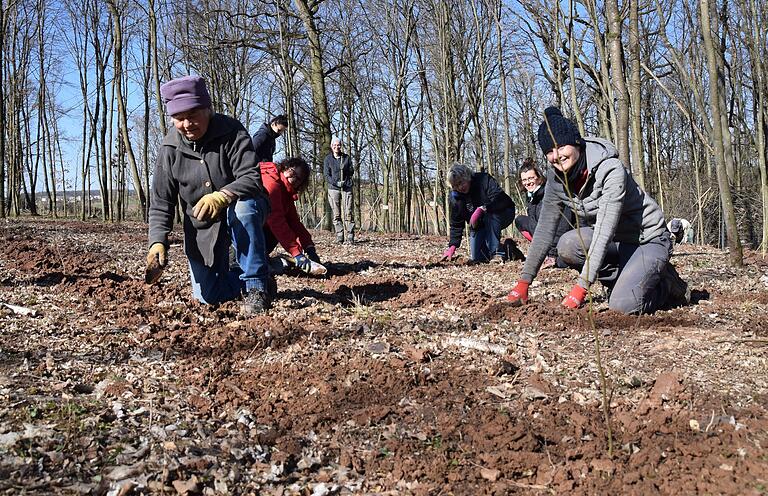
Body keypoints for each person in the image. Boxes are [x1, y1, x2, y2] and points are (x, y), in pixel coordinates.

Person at [506, 107, 689, 314]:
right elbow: (544, 230)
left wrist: (581, 287)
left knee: (623, 306)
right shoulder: (556, 179)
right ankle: (626, 278)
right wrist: (524, 282)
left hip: (647, 239)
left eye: (561, 146)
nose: (556, 156)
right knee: (568, 245)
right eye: (549, 151)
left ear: (576, 142)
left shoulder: (610, 169)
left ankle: (668, 284)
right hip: (616, 243)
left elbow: (604, 231)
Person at [145, 75, 273, 315]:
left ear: (208, 109)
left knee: (243, 208)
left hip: (242, 208)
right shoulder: (169, 149)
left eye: (192, 115)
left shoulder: (232, 131)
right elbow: (162, 202)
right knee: (208, 296)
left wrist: (222, 196)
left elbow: (252, 178)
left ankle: (257, 286)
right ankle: (262, 279)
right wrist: (157, 241)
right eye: (179, 118)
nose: (186, 124)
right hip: (203, 226)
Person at [442, 163, 517, 263]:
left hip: (503, 212)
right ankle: (508, 250)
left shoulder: (484, 180)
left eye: (461, 182)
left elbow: (501, 200)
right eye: (455, 186)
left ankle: (496, 253)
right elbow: (456, 224)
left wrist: (483, 208)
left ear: (467, 177)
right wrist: (452, 246)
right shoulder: (456, 199)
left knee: (490, 216)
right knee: (478, 258)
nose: (460, 187)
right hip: (480, 223)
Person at [260, 157, 323, 273]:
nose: (291, 174)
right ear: (285, 168)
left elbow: (294, 221)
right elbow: (276, 220)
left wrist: (309, 247)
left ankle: (261, 258)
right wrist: (296, 252)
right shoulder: (272, 183)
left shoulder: (286, 191)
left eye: (297, 177)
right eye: (291, 171)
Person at [514, 158, 573, 268]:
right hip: (546, 239)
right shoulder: (532, 198)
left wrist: (552, 254)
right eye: (524, 180)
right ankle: (541, 252)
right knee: (520, 220)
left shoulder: (550, 195)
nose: (528, 182)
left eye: (531, 178)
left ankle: (551, 255)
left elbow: (563, 225)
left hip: (562, 240)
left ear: (539, 178)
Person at [323, 137, 355, 244]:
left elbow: (351, 171)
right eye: (335, 145)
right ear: (332, 146)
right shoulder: (328, 159)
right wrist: (335, 182)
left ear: (341, 146)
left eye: (339, 145)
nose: (337, 147)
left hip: (346, 187)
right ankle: (339, 235)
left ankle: (350, 235)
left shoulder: (346, 158)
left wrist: (344, 173)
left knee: (348, 212)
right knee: (336, 213)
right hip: (333, 189)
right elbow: (326, 175)